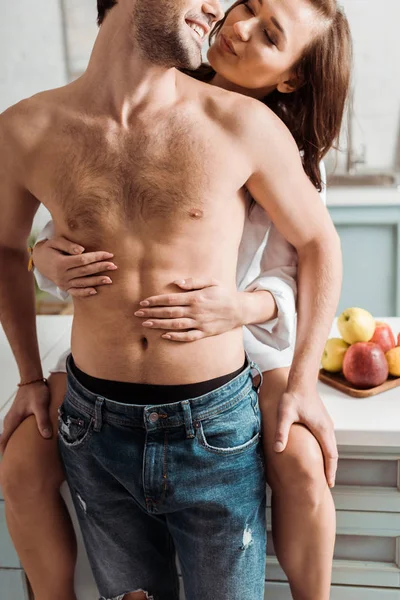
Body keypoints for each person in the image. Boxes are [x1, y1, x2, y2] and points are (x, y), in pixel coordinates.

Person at [0, 0, 348, 599]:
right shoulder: (28, 128)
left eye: (268, 34)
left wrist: (300, 383)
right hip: (95, 416)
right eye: (243, 7)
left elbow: (317, 247)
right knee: (24, 467)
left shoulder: (249, 127)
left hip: (217, 407)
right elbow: (16, 248)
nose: (224, 18)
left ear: (291, 74)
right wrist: (31, 368)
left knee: (301, 463)